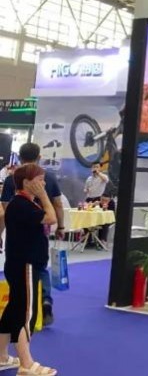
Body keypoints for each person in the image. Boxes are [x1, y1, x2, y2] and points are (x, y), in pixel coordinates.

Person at [0, 163, 58, 375]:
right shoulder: (22, 204)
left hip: (22, 263)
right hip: (26, 265)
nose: (43, 183)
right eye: (39, 180)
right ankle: (26, 364)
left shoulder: (23, 204)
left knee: (13, 309)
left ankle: (1, 356)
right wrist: (44, 196)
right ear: (26, 182)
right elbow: (51, 218)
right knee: (25, 313)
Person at [0, 143, 64, 327]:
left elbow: (4, 211)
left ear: (20, 156)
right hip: (36, 236)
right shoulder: (48, 177)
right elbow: (57, 205)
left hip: (16, 237)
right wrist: (61, 226)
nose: (41, 183)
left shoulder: (12, 179)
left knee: (21, 281)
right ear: (39, 156)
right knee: (39, 269)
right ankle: (45, 301)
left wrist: (1, 233)